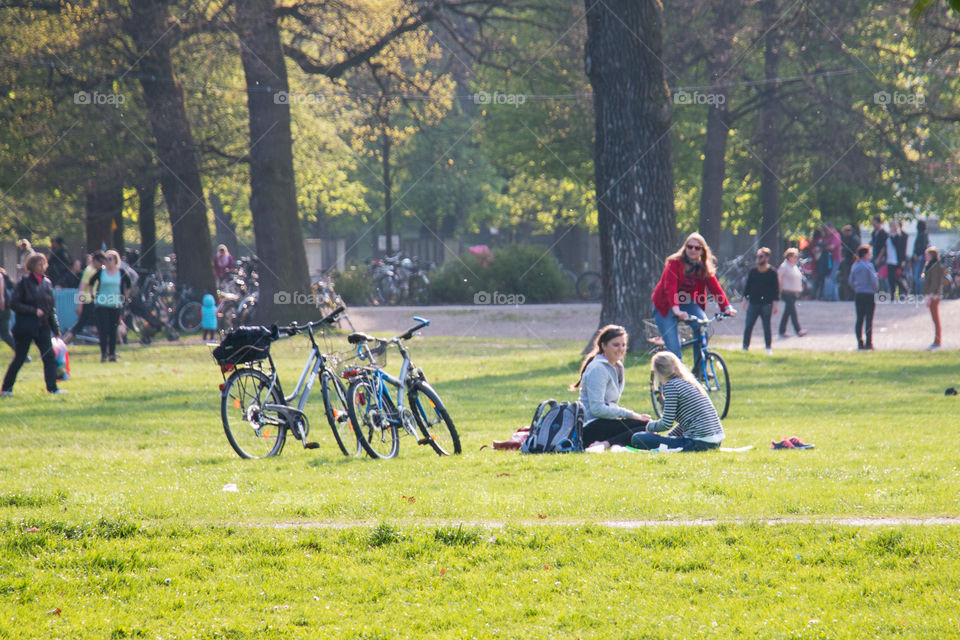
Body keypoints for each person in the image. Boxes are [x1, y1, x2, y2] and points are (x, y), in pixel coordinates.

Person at [651, 233, 736, 372]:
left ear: (702, 250)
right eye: (690, 247)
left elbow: (715, 288)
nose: (693, 250)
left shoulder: (703, 267)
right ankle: (675, 382)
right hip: (665, 305)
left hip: (687, 304)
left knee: (704, 327)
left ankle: (699, 371)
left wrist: (726, 307)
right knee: (674, 348)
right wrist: (676, 310)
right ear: (685, 248)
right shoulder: (674, 263)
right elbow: (670, 288)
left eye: (697, 248)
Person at [572, 325, 648, 448]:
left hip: (605, 421)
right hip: (591, 425)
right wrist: (631, 415)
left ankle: (607, 443)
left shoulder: (617, 366)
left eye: (623, 345)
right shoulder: (597, 368)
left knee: (647, 426)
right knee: (645, 427)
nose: (621, 349)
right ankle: (605, 444)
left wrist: (635, 417)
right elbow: (597, 409)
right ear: (603, 346)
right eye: (616, 345)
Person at [631, 351, 724, 452]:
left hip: (698, 443)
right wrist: (668, 437)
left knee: (637, 438)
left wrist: (649, 427)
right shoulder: (689, 383)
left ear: (658, 371)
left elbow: (666, 423)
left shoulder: (671, 386)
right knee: (652, 439)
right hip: (715, 442)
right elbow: (686, 421)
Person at [1, 253, 63, 395]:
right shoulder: (24, 282)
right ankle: (6, 388)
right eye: (39, 265)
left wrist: (56, 328)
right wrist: (33, 311)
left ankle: (52, 388)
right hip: (27, 327)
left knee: (49, 357)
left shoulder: (47, 283)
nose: (43, 267)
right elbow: (14, 303)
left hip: (44, 326)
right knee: (20, 358)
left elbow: (51, 308)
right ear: (32, 266)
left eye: (44, 264)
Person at [88, 250, 131, 362]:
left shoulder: (121, 272)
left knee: (113, 330)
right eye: (106, 259)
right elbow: (91, 282)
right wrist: (93, 296)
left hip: (115, 304)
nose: (108, 261)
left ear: (115, 260)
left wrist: (125, 297)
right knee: (104, 330)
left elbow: (129, 284)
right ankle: (103, 354)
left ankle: (112, 355)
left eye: (110, 259)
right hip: (102, 304)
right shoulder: (101, 272)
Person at [742, 247, 780, 354]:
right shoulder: (753, 272)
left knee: (767, 326)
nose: (758, 258)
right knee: (748, 325)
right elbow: (748, 287)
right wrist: (745, 299)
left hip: (766, 304)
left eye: (761, 256)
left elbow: (775, 290)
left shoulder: (772, 272)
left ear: (767, 258)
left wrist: (775, 304)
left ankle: (768, 347)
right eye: (758, 256)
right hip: (753, 303)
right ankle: (745, 347)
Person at [63, 251, 105, 344]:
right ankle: (64, 342)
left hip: (92, 300)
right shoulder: (89, 271)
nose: (102, 264)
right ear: (95, 261)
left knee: (88, 324)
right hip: (88, 301)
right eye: (101, 262)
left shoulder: (95, 271)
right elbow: (81, 287)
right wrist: (80, 304)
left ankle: (65, 341)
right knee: (81, 325)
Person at [848, 245, 879, 350]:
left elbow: (851, 281)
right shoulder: (869, 266)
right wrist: (875, 289)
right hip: (869, 294)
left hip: (859, 294)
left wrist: (857, 288)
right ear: (865, 254)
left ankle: (860, 342)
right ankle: (869, 342)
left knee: (859, 319)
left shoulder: (855, 266)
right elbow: (874, 281)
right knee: (869, 320)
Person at [777, 248, 807, 338]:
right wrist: (779, 290)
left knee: (787, 312)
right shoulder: (784, 266)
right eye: (794, 256)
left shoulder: (793, 266)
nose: (796, 258)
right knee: (792, 311)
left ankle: (782, 330)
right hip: (786, 292)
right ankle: (798, 330)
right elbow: (778, 277)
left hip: (794, 293)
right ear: (789, 257)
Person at [921, 247, 944, 350]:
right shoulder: (931, 265)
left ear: (932, 255)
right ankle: (936, 339)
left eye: (927, 255)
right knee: (934, 319)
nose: (926, 257)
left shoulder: (934, 266)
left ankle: (937, 340)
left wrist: (930, 295)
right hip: (932, 294)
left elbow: (934, 282)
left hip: (933, 295)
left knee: (936, 319)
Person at [911, 220, 930, 295]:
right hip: (921, 257)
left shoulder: (922, 235)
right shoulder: (924, 234)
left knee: (917, 276)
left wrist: (917, 255)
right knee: (918, 276)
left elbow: (921, 247)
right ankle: (919, 293)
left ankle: (919, 293)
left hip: (920, 257)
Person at [0, 266, 15, 353]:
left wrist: (2, 305)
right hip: (5, 307)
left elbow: (1, 297)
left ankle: (22, 354)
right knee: (6, 334)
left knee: (5, 334)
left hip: (3, 308)